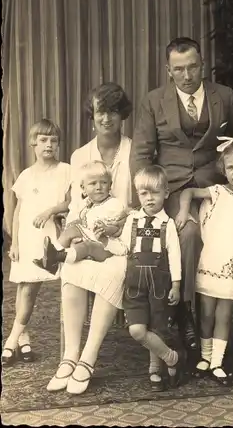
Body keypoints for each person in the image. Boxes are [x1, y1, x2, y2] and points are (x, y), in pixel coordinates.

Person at [130, 37, 233, 358]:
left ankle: (209, 314)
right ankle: (184, 313)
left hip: (214, 186)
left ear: (202, 64)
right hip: (170, 187)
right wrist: (147, 195)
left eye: (193, 67)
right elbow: (141, 153)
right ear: (169, 71)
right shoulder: (154, 101)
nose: (187, 75)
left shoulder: (223, 96)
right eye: (179, 69)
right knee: (190, 233)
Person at [47, 82, 133, 395]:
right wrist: (72, 237)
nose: (106, 118)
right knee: (71, 269)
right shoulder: (81, 154)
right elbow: (75, 206)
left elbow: (143, 203)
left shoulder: (135, 150)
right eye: (100, 111)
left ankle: (88, 357)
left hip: (123, 240)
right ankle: (69, 356)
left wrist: (118, 228)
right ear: (92, 115)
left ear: (122, 114)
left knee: (113, 271)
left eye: (113, 110)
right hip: (87, 236)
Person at [175, 137, 233, 385]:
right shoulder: (217, 192)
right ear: (223, 170)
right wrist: (184, 211)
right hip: (210, 262)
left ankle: (218, 361)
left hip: (231, 264)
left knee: (224, 315)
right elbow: (187, 191)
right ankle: (205, 358)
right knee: (206, 314)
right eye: (231, 168)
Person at [1, 119, 71, 367]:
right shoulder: (26, 175)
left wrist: (51, 210)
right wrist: (15, 243)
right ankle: (23, 338)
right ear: (33, 143)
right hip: (26, 239)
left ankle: (10, 341)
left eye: (53, 140)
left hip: (50, 238)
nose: (48, 145)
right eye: (43, 140)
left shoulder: (66, 170)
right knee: (23, 288)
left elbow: (71, 203)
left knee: (30, 289)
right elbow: (18, 211)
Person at [107, 165, 182, 391]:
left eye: (155, 192)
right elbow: (123, 247)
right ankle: (171, 357)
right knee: (138, 330)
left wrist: (176, 285)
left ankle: (154, 369)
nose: (149, 199)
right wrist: (105, 243)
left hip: (159, 285)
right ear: (138, 194)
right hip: (135, 285)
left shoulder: (167, 225)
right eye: (144, 193)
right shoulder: (132, 221)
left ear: (166, 193)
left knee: (157, 328)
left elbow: (175, 256)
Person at [33, 160, 128, 274]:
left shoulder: (113, 204)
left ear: (110, 185)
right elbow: (83, 220)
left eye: (103, 182)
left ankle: (54, 257)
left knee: (74, 231)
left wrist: (105, 228)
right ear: (83, 188)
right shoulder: (87, 204)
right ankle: (55, 259)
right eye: (93, 183)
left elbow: (117, 229)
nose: (99, 187)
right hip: (92, 241)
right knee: (74, 235)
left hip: (107, 246)